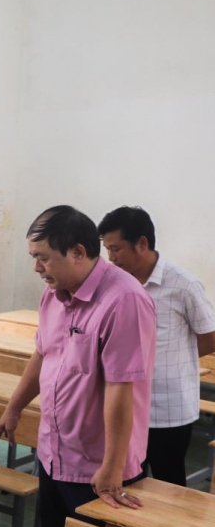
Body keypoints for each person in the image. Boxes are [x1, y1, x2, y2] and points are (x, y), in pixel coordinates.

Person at [0, 205, 155, 527]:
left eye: (44, 257)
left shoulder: (124, 300)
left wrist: (112, 468)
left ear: (78, 252)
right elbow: (42, 355)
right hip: (54, 455)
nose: (38, 268)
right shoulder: (53, 296)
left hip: (98, 469)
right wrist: (14, 408)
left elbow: (121, 389)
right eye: (34, 258)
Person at [99, 206, 215, 486]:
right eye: (107, 250)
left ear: (142, 243)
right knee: (127, 478)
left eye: (116, 249)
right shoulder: (113, 283)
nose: (111, 258)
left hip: (168, 406)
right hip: (125, 403)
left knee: (168, 482)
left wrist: (165, 358)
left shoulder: (183, 284)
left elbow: (210, 336)